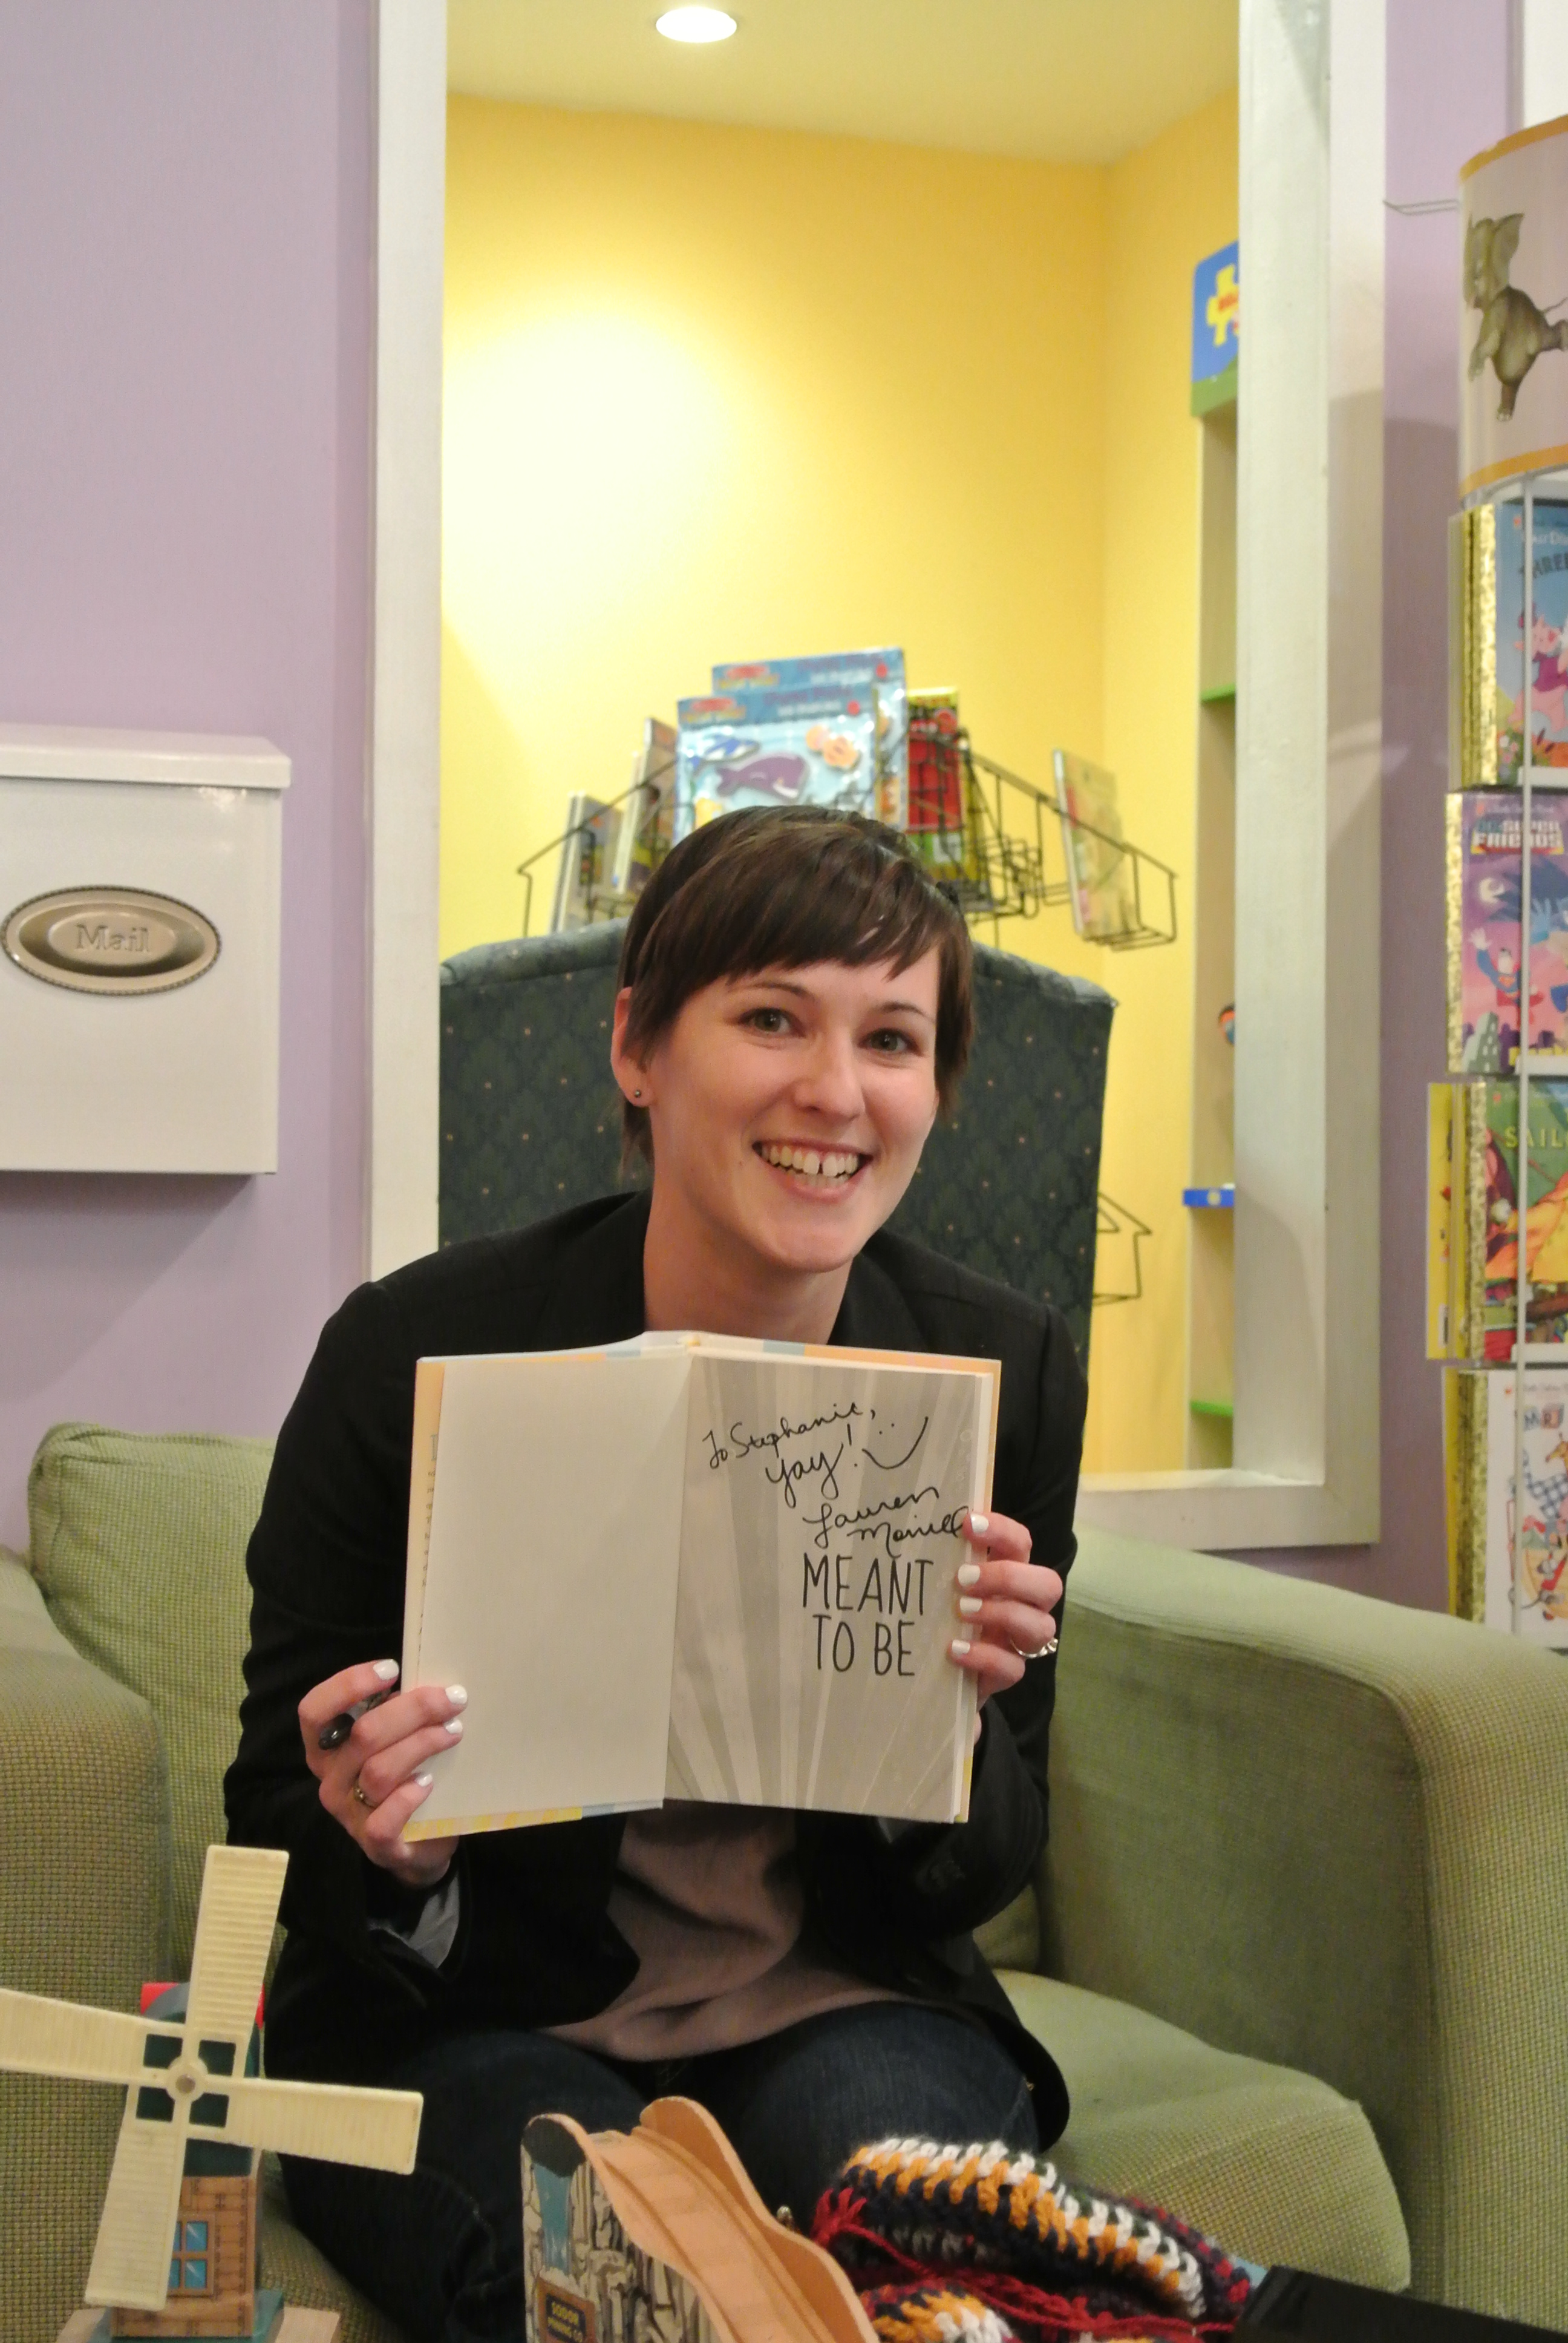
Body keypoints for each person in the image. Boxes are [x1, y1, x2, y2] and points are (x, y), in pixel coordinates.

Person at [225, 806, 1086, 2343]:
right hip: (473, 2018)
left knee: (932, 2262)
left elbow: (986, 1869)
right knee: (612, 2281)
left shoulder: (995, 1369)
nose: (836, 1092)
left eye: (892, 1040)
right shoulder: (414, 1350)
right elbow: (275, 1806)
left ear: (936, 1089)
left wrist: (954, 1718)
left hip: (838, 1998)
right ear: (638, 1046)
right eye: (773, 1019)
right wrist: (390, 1843)